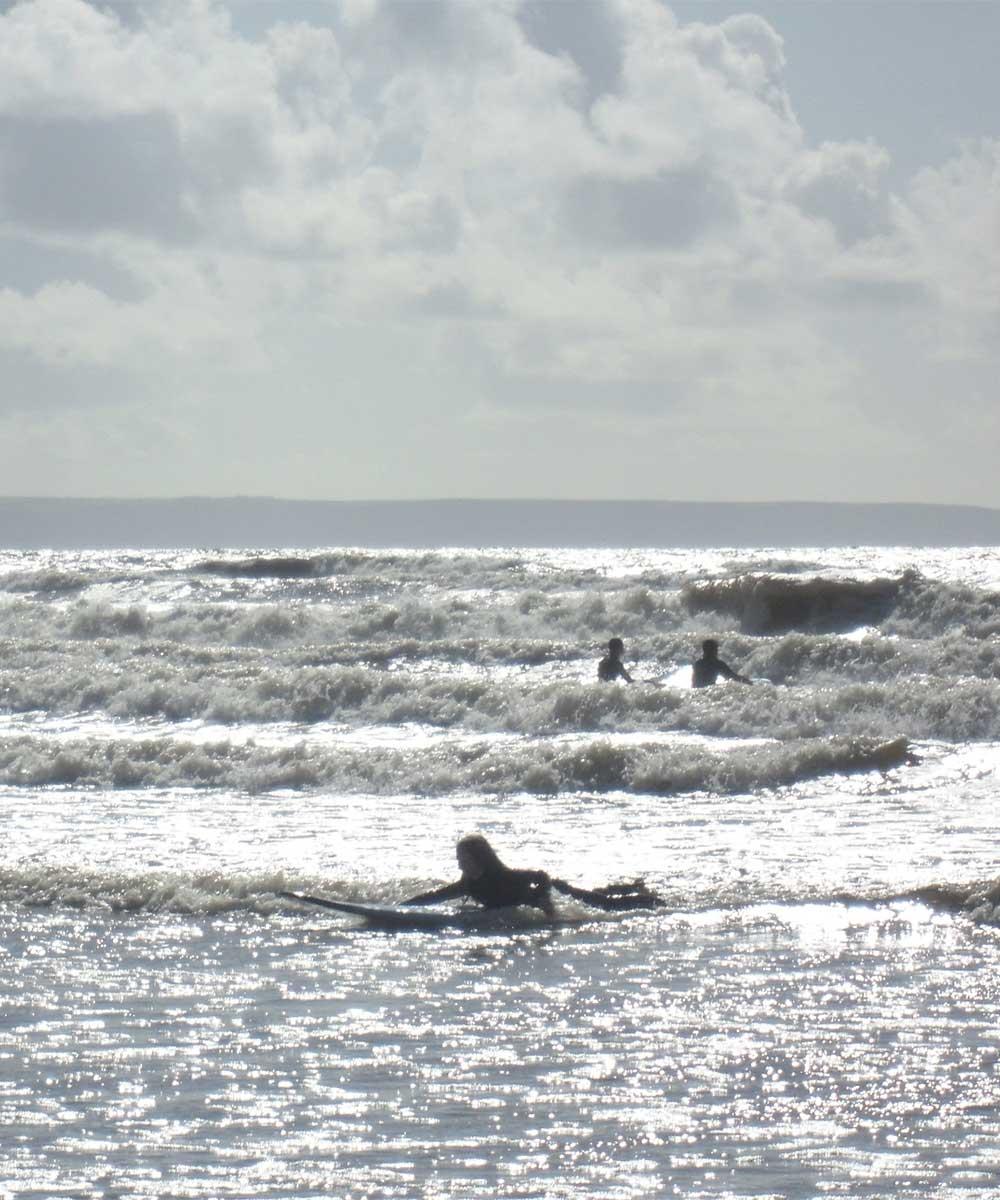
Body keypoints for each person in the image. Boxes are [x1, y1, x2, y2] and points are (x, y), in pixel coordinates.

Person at [403, 834, 664, 915]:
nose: (460, 865)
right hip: (553, 893)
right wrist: (404, 908)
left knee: (607, 905)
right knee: (598, 894)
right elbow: (437, 895)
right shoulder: (469, 884)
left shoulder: (502, 877)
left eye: (463, 860)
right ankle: (632, 887)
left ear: (478, 859)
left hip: (560, 892)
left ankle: (647, 899)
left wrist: (546, 904)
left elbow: (541, 876)